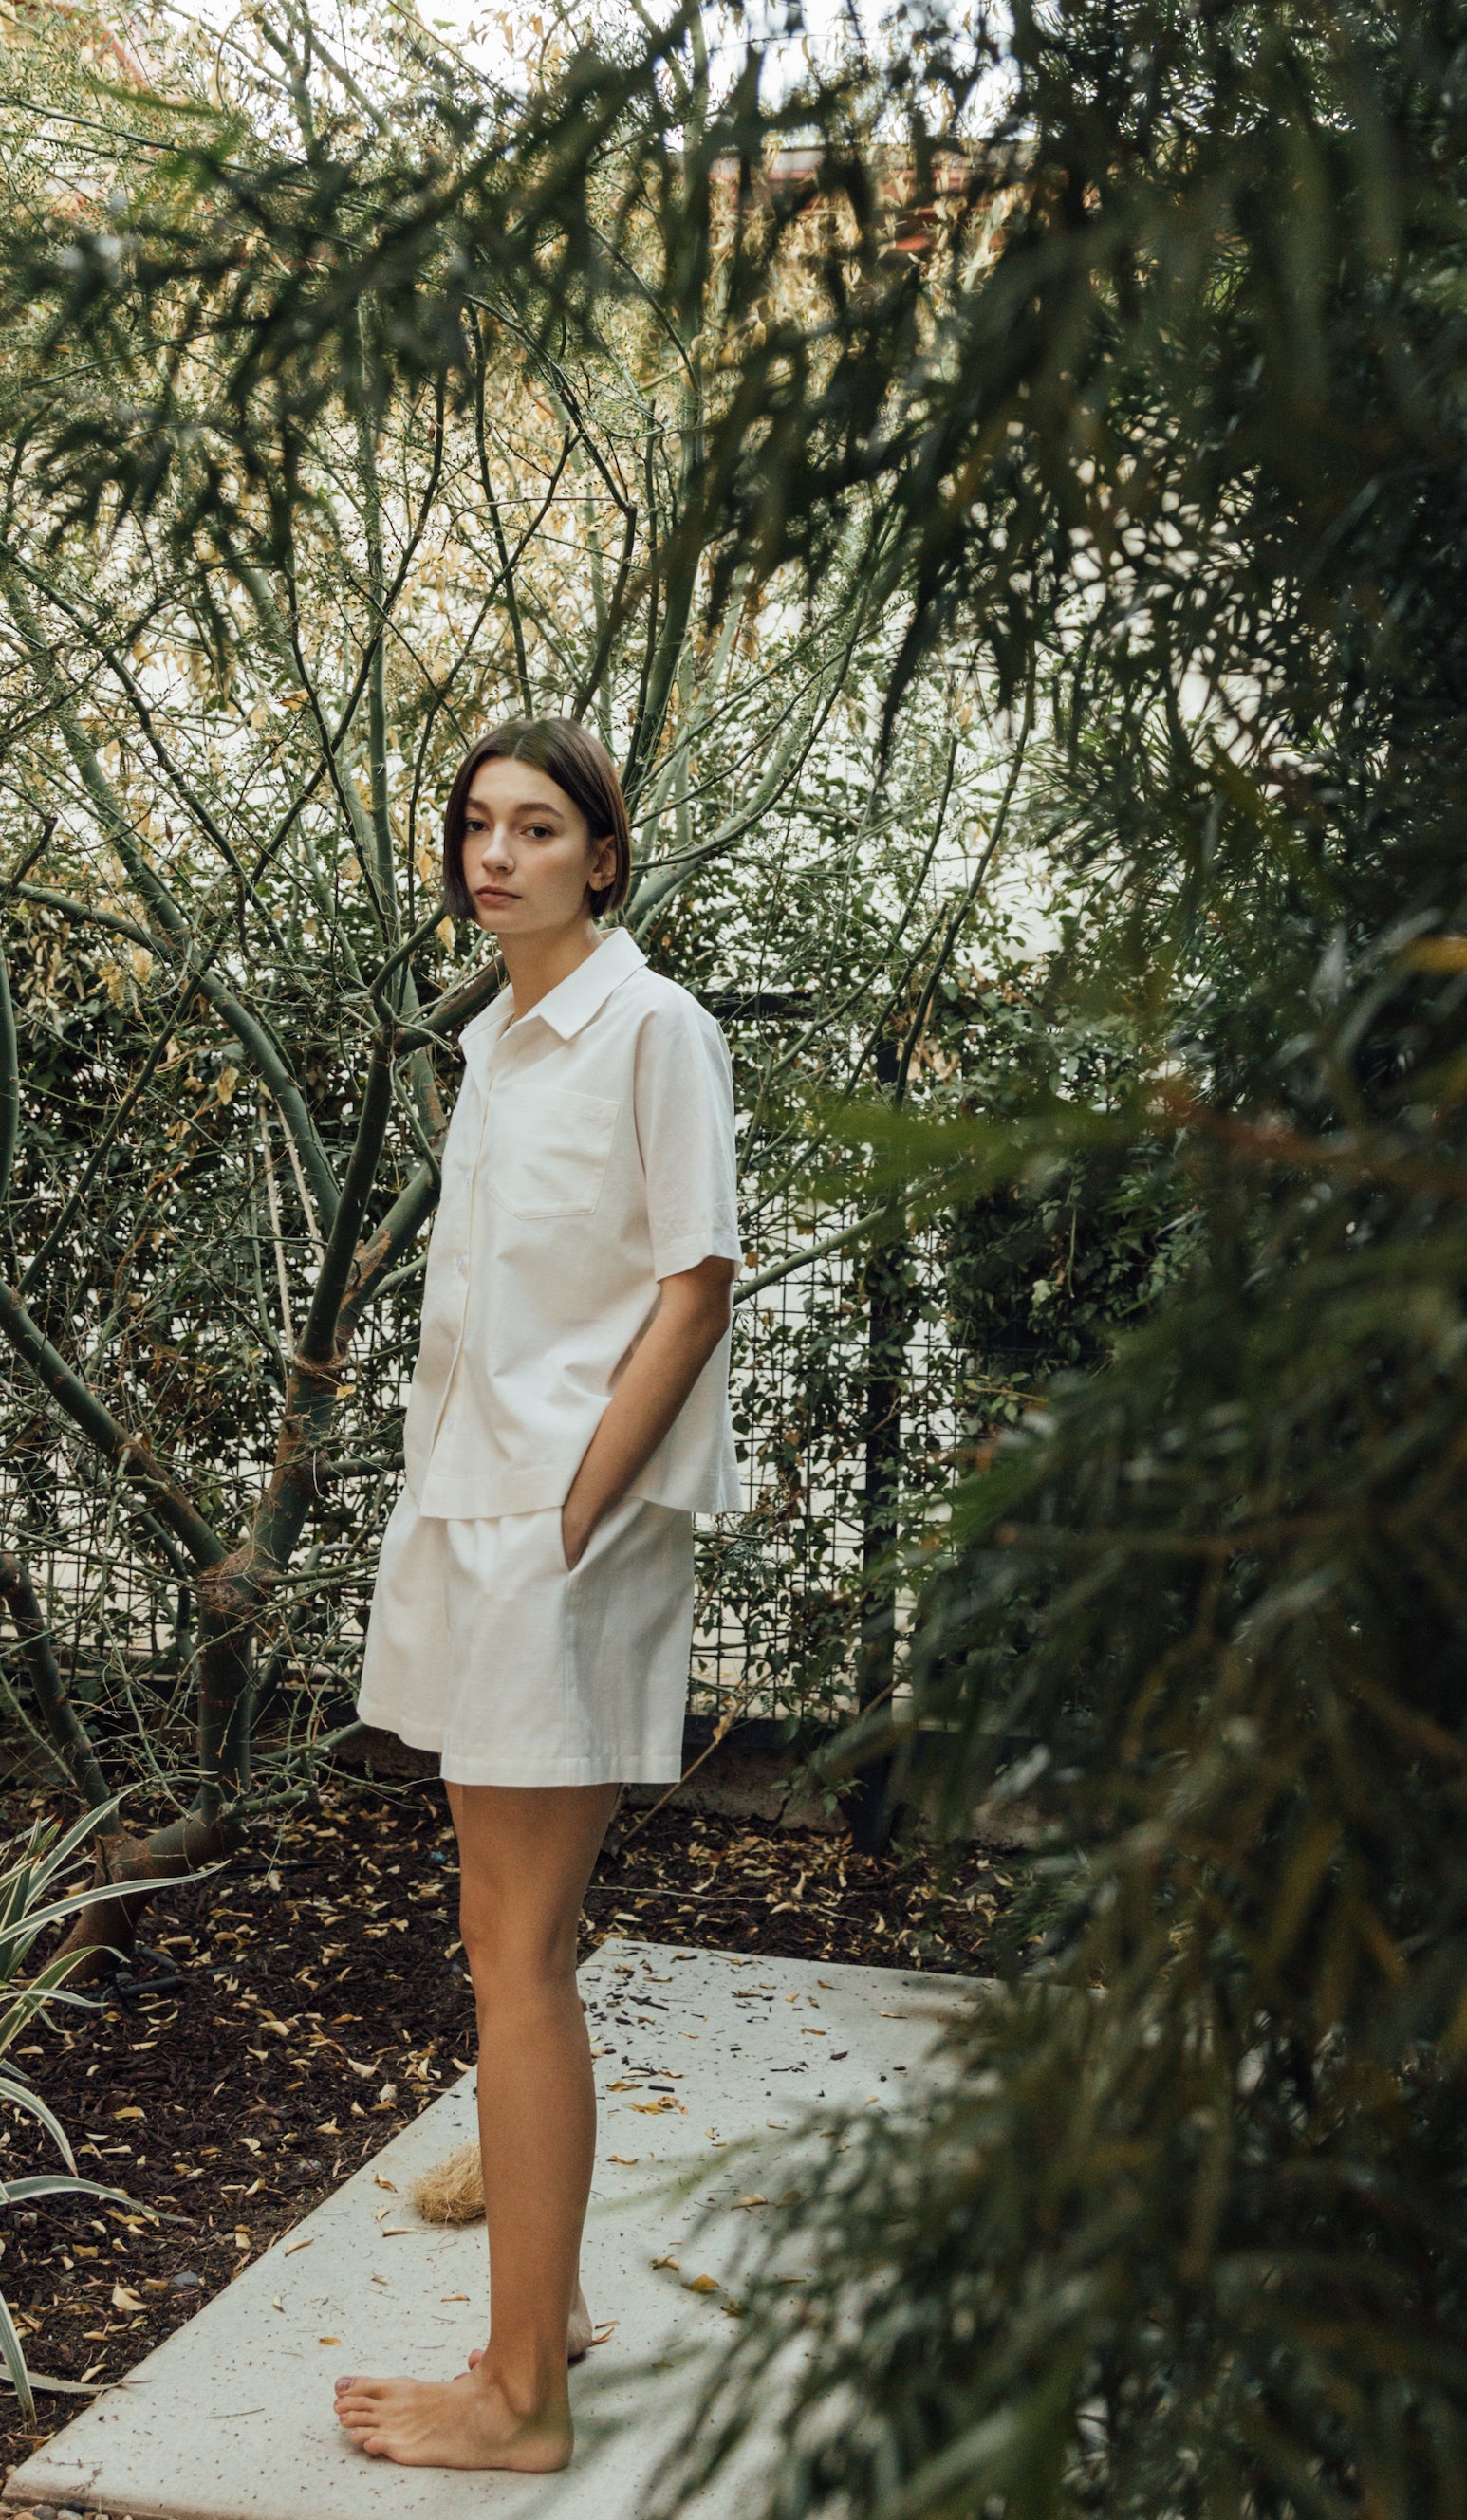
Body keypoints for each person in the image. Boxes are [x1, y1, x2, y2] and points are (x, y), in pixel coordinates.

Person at [334, 717, 742, 2472]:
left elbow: (696, 1282)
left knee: (515, 1955)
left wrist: (572, 1516)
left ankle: (521, 2401)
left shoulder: (653, 1027)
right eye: (477, 828)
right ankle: (545, 2302)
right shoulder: (500, 1042)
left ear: (604, 854)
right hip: (475, 1520)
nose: (496, 855)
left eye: (537, 827)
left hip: (555, 1538)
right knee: (509, 1940)